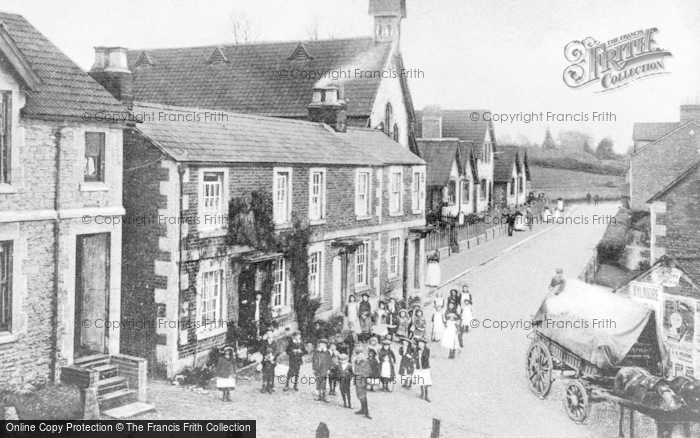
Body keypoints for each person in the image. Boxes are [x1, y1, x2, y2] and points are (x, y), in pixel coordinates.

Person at [353, 346, 372, 419]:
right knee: (359, 395)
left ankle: (366, 412)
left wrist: (363, 375)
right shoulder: (356, 361)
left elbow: (369, 371)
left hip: (362, 380)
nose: (359, 355)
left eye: (361, 354)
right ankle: (362, 409)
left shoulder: (366, 362)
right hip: (357, 380)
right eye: (357, 354)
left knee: (363, 396)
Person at [413, 337, 432, 402]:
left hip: (425, 368)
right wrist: (417, 355)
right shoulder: (416, 350)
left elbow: (426, 358)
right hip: (419, 368)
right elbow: (414, 357)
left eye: (422, 343)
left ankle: (426, 395)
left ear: (424, 344)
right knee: (421, 380)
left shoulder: (427, 350)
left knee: (426, 381)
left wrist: (421, 354)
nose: (420, 345)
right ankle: (422, 393)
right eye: (419, 343)